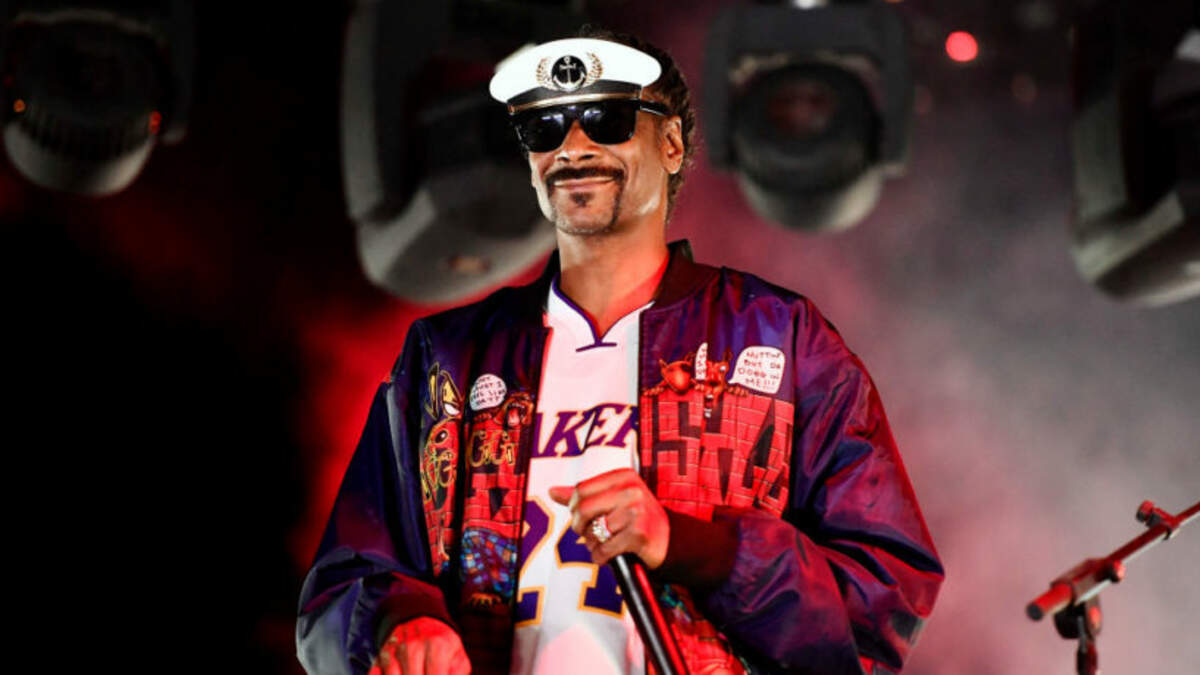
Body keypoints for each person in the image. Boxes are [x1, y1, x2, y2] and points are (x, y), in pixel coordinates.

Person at [297, 29, 943, 675]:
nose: (573, 147)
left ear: (672, 144)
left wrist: (697, 546)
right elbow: (342, 581)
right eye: (544, 128)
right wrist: (399, 621)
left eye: (607, 119)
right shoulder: (448, 357)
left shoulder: (782, 338)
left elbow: (884, 594)